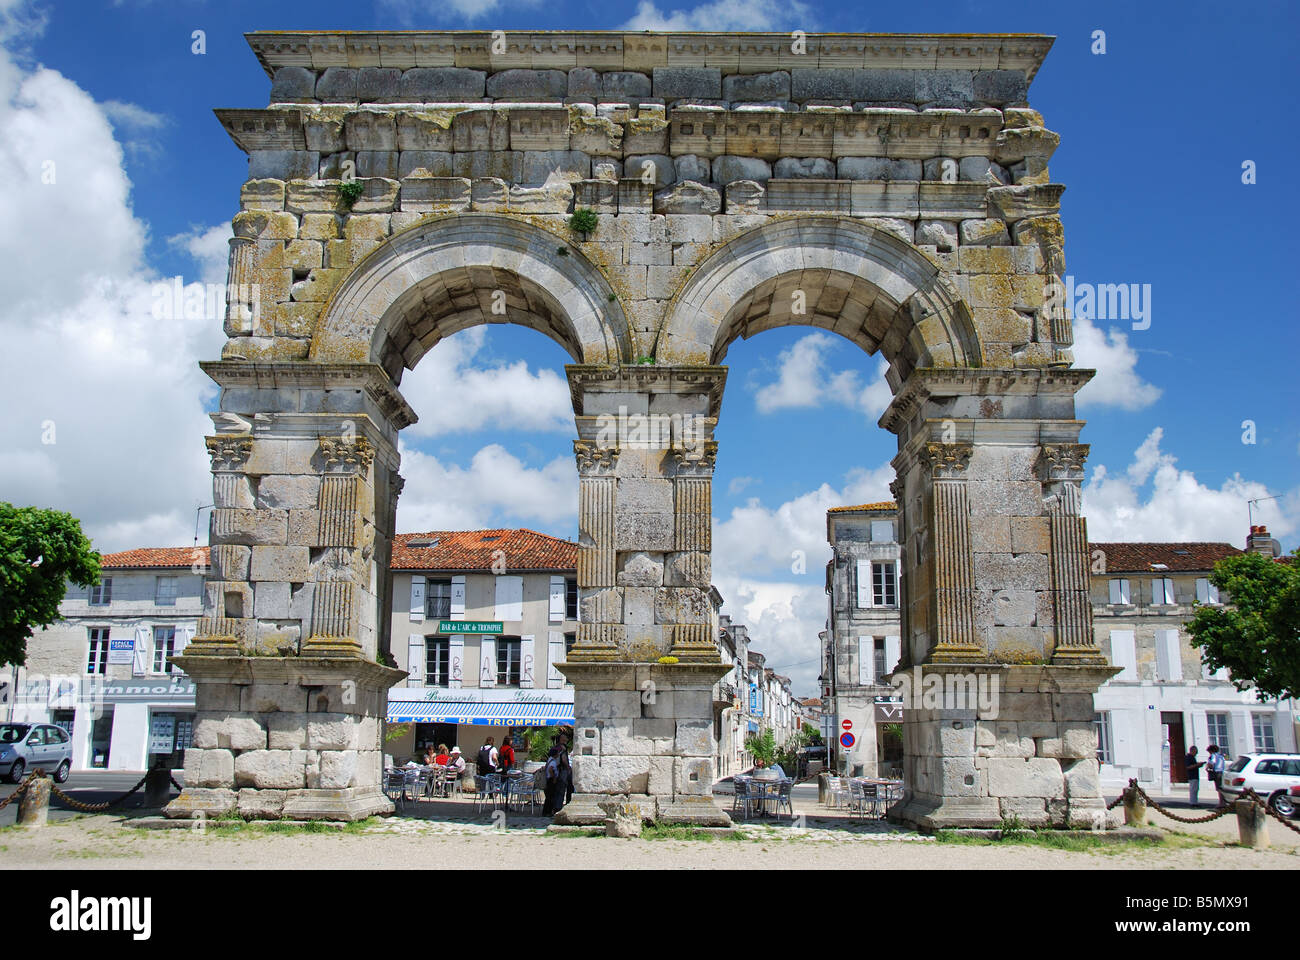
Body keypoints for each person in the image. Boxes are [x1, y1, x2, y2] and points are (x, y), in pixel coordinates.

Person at [542, 745, 564, 815]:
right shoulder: (553, 761)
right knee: (550, 797)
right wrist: (554, 777)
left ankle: (546, 811)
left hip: (549, 779)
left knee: (548, 797)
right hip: (551, 780)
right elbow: (550, 769)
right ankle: (548, 812)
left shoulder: (549, 759)